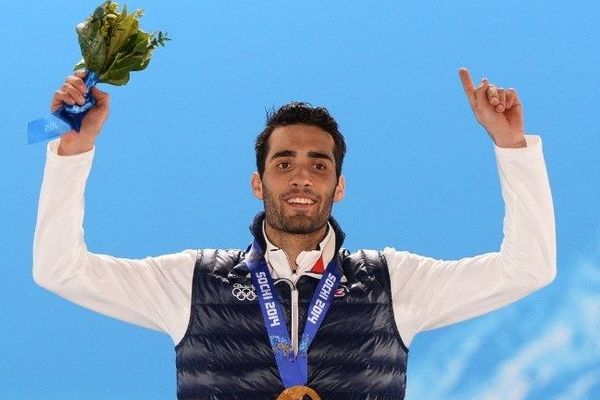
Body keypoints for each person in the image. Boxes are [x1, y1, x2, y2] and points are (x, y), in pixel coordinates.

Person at [33, 67, 556, 400]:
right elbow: (59, 270)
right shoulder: (191, 281)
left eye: (318, 165)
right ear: (258, 183)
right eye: (284, 164)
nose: (302, 176)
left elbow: (529, 269)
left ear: (340, 185)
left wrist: (511, 148)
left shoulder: (396, 282)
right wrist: (73, 151)